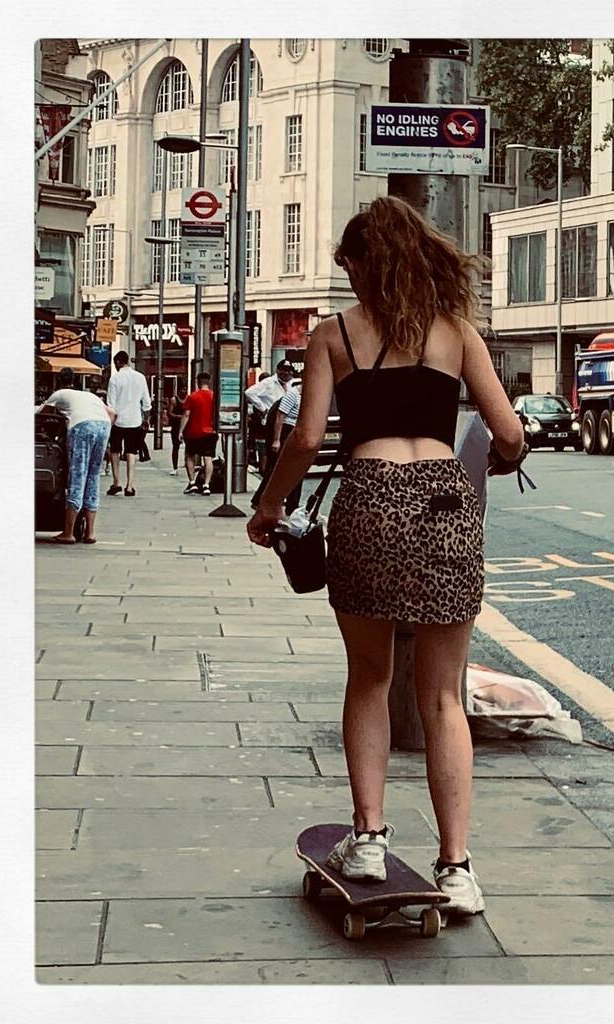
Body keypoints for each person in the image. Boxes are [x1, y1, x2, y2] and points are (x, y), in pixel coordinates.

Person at [246, 196, 525, 915]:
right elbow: (510, 433)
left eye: (349, 265)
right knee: (441, 694)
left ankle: (368, 837)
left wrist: (268, 507)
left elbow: (306, 442)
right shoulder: (457, 333)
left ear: (365, 264)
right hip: (442, 503)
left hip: (369, 502)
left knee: (370, 678)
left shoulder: (333, 335)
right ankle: (457, 868)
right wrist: (499, 455)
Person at [35, 367, 113, 544]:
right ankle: (90, 533)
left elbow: (42, 414)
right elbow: (112, 414)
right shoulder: (89, 396)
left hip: (82, 427)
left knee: (78, 475)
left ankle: (68, 532)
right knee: (93, 476)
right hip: (103, 425)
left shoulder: (60, 393)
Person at [251, 383, 303, 514]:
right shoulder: (293, 394)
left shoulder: (305, 396)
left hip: (294, 432)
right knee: (277, 469)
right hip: (286, 432)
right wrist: (276, 440)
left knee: (294, 469)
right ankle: (259, 499)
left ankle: (293, 505)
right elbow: (280, 416)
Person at [105, 351, 151, 497]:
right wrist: (146, 419)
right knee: (131, 452)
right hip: (135, 420)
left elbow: (110, 403)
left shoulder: (115, 379)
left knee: (115, 451)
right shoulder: (140, 377)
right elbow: (147, 402)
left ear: (118, 362)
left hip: (117, 421)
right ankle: (130, 485)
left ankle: (116, 482)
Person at [245, 361, 296, 471]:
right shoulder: (269, 383)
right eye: (284, 370)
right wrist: (263, 409)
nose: (286, 373)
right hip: (272, 421)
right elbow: (249, 393)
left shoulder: (291, 384)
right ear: (278, 370)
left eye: (289, 371)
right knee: (273, 456)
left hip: (287, 424)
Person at [179, 372, 217, 495]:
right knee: (208, 458)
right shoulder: (214, 397)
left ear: (198, 382)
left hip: (193, 432)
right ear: (209, 381)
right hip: (210, 432)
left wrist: (180, 431)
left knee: (189, 455)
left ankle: (192, 483)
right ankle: (206, 484)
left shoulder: (192, 397)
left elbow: (186, 415)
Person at [163, 384, 188, 475]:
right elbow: (170, 413)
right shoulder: (174, 400)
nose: (184, 391)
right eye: (182, 389)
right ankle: (175, 467)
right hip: (176, 426)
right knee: (175, 447)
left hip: (186, 425)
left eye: (185, 389)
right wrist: (180, 417)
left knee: (189, 446)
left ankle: (188, 463)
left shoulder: (188, 399)